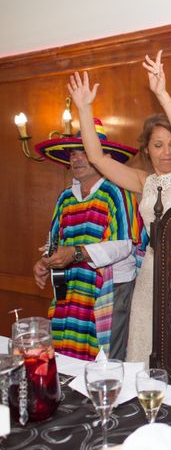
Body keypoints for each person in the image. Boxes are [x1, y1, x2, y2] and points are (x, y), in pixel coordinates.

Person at [67, 50, 171, 365]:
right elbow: (98, 158)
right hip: (149, 279)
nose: (168, 152)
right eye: (158, 145)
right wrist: (85, 109)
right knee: (142, 357)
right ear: (147, 149)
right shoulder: (144, 181)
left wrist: (162, 93)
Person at [33, 121, 141, 361]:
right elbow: (55, 242)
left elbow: (124, 244)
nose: (77, 159)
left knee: (106, 360)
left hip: (109, 291)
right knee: (67, 356)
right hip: (71, 291)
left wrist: (75, 253)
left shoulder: (118, 192)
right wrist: (44, 262)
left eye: (85, 152)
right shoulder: (65, 198)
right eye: (73, 153)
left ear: (104, 157)